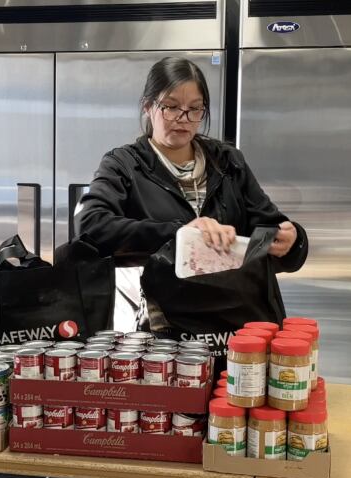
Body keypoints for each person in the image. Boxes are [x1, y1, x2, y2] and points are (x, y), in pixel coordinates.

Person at [75, 57, 308, 332]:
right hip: (167, 328)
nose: (183, 119)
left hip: (238, 325)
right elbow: (90, 227)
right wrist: (182, 233)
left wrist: (292, 241)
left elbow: (269, 225)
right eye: (171, 107)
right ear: (148, 106)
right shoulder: (125, 165)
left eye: (195, 109)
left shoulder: (228, 162)